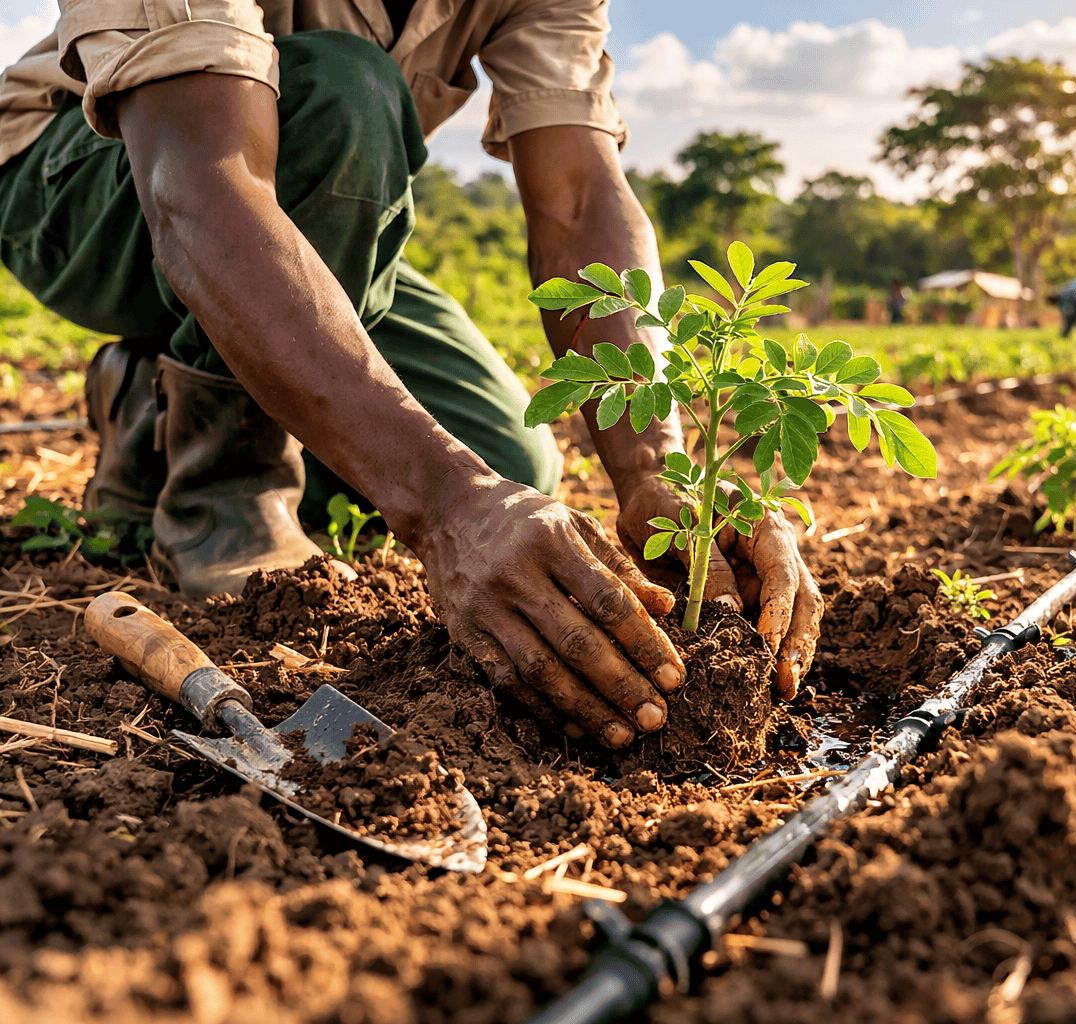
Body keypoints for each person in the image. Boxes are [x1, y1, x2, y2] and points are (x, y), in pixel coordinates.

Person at [0, 0, 822, 748]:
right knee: (343, 92)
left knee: (511, 460)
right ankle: (226, 494)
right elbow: (201, 188)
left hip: (299, 224)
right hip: (83, 180)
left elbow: (577, 194)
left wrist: (655, 470)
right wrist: (443, 506)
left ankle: (151, 405)